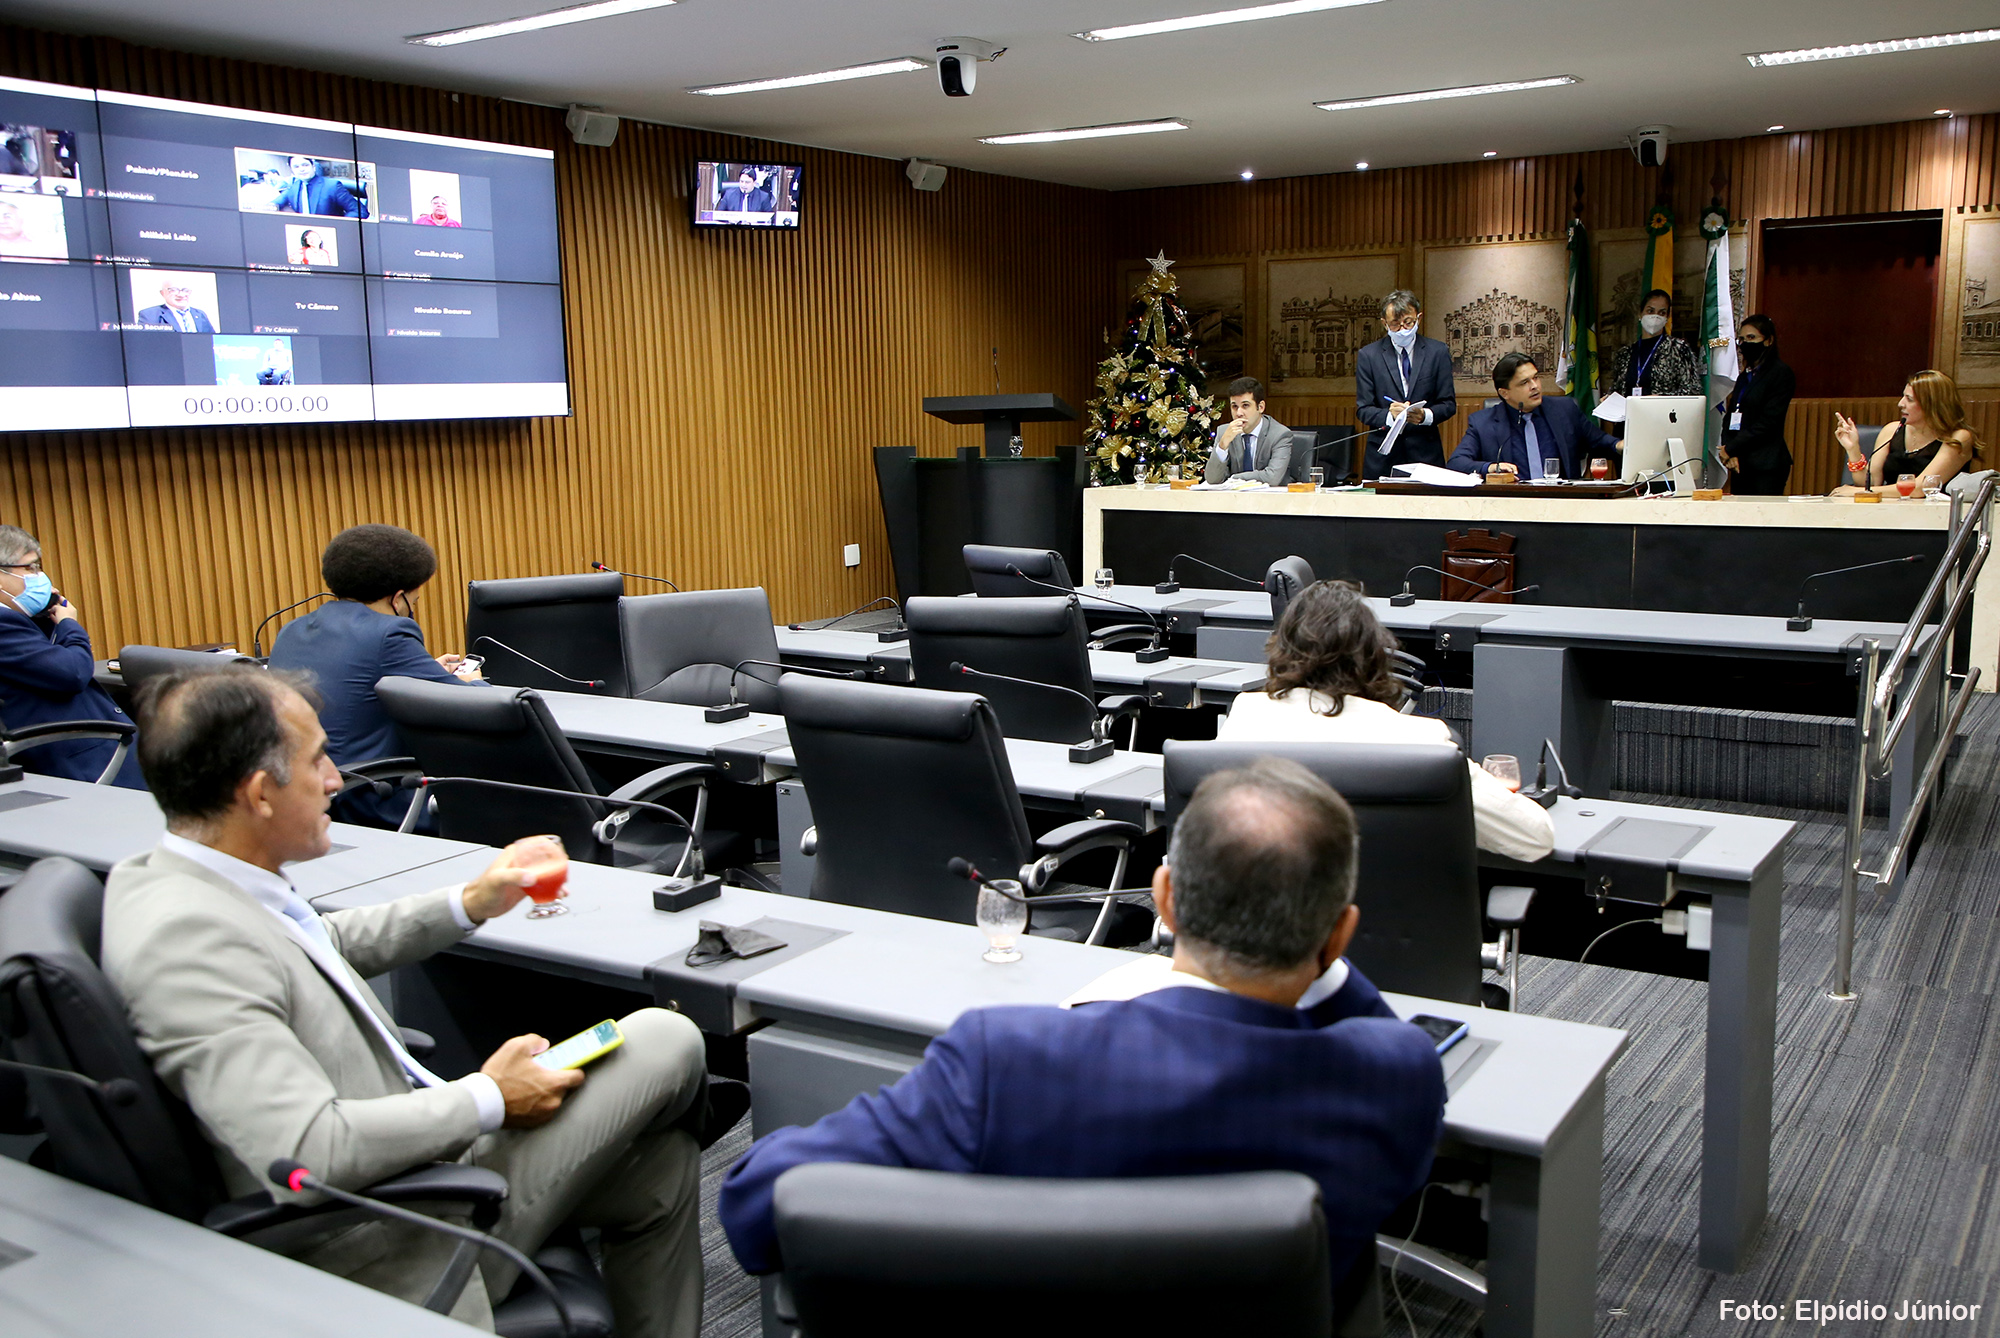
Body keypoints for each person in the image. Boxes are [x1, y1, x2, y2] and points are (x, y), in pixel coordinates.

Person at [101, 667, 708, 1335]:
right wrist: (490, 1097)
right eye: (317, 761)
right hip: (387, 1236)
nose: (336, 779)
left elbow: (316, 945)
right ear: (259, 794)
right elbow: (308, 1150)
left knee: (662, 1169)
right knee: (667, 1037)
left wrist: (471, 902)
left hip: (412, 1167)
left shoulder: (180, 879)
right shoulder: (187, 943)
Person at [719, 755, 1446, 1293]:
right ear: (1341, 934)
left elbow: (756, 1203)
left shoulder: (1005, 1062)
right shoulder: (1396, 1077)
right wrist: (1323, 952)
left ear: (1165, 899)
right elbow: (1377, 1030)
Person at [1217, 579, 1553, 861]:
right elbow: (1535, 837)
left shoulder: (1246, 716)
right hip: (1393, 919)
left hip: (1272, 916)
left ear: (1280, 651)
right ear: (1375, 656)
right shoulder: (1423, 742)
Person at [269, 524, 482, 827]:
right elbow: (472, 707)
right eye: (414, 602)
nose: (412, 609)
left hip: (302, 794)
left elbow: (356, 682)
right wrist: (475, 683)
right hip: (370, 798)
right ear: (398, 599)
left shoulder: (292, 629)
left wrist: (425, 671)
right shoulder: (390, 632)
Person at [0, 524, 144, 788]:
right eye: (29, 568)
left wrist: (44, 615)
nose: (39, 576)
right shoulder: (2, 624)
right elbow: (73, 672)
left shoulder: (12, 620)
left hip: (77, 742)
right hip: (80, 754)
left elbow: (37, 661)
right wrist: (69, 625)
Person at [1448, 352, 1620, 481]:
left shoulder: (1564, 410)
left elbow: (1599, 442)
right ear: (1505, 393)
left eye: (1535, 378)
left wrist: (1620, 445)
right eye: (1524, 382)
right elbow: (1456, 462)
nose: (1534, 386)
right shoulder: (1483, 423)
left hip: (1563, 501)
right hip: (1511, 504)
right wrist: (1491, 467)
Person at [1832, 369, 1984, 497]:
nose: (1900, 404)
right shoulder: (1892, 430)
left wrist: (1859, 492)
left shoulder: (1958, 437)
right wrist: (1853, 450)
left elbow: (1921, 488)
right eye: (1903, 396)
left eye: (1909, 399)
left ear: (1932, 404)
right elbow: (1871, 482)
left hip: (1936, 515)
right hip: (1892, 510)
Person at [1355, 289, 1456, 479]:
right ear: (1384, 323)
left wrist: (1424, 416)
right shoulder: (1369, 356)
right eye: (1395, 324)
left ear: (1419, 318)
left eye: (1408, 322)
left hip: (1426, 454)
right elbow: (1363, 409)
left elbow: (1448, 404)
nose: (1402, 329)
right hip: (1383, 458)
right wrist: (1390, 416)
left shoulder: (1437, 352)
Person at [1602, 289, 1704, 432]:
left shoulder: (1678, 349)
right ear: (1640, 314)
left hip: (1661, 426)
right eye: (1650, 311)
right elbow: (1617, 390)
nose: (1655, 316)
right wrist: (1609, 399)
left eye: (1662, 313)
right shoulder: (1625, 354)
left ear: (1667, 317)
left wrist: (1660, 398)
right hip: (1627, 427)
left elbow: (1693, 392)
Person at [1715, 315, 1795, 496]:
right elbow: (1731, 416)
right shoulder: (1745, 376)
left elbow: (1768, 422)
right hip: (1739, 462)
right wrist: (1728, 449)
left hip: (1765, 464)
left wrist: (1732, 448)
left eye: (1751, 337)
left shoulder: (1780, 373)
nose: (1746, 343)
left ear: (1768, 341)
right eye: (1742, 339)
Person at [1204, 376, 1295, 485]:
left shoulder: (1280, 434)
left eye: (1245, 405)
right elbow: (1212, 479)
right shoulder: (1224, 432)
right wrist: (1222, 445)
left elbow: (1272, 478)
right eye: (1234, 406)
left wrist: (1234, 478)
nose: (1239, 413)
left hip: (1270, 495)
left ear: (1260, 407)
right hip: (1234, 495)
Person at [276, 155, 364, 218]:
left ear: (313, 166)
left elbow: (360, 211)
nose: (301, 169)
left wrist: (339, 225)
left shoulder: (332, 186)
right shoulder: (293, 187)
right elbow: (277, 202)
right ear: (292, 170)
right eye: (296, 167)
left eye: (305, 165)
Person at [135, 277, 217, 333]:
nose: (181, 294)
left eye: (185, 290)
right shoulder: (149, 315)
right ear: (163, 293)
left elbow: (211, 340)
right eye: (174, 290)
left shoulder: (200, 314)